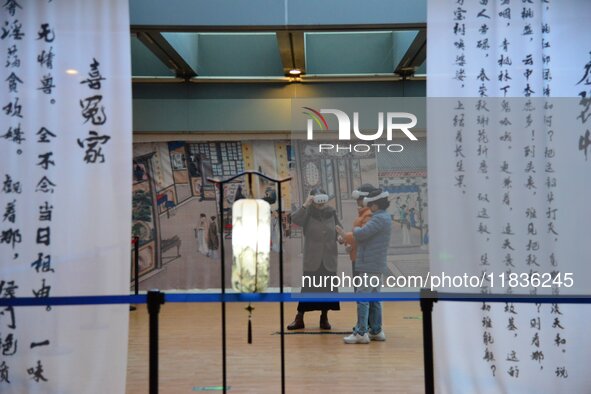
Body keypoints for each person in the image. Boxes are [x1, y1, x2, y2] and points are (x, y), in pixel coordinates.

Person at [337, 189, 392, 344]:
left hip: (369, 264)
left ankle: (361, 332)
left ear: (376, 204)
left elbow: (360, 234)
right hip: (376, 264)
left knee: (363, 297)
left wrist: (354, 230)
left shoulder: (378, 219)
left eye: (372, 204)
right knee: (374, 298)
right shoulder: (384, 218)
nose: (370, 207)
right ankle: (376, 330)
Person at [287, 188, 341, 330]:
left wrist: (341, 237)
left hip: (328, 257)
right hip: (313, 258)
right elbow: (294, 219)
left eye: (322, 201)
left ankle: (324, 318)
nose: (320, 205)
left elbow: (338, 229)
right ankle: (299, 318)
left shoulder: (331, 212)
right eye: (317, 201)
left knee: (327, 291)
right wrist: (305, 204)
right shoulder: (307, 213)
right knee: (308, 290)